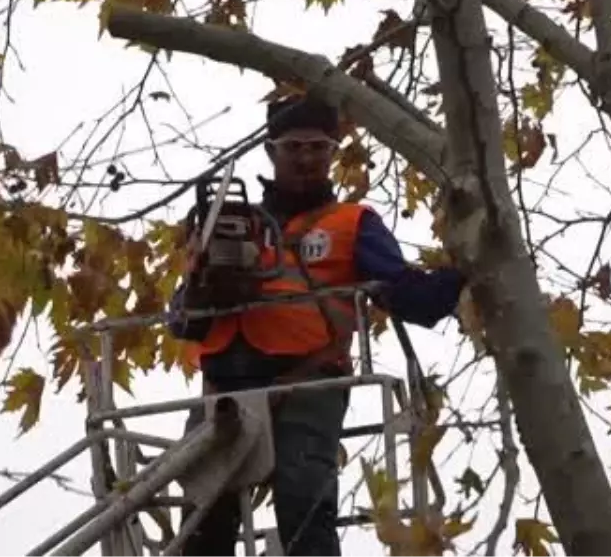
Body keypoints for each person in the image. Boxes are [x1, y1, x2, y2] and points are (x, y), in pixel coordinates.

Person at [166, 94, 466, 557]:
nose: (306, 158)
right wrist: (206, 290)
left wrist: (465, 273)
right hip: (224, 386)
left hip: (309, 380)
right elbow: (181, 321)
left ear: (333, 151)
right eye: (293, 147)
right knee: (201, 513)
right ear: (271, 150)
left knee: (304, 496)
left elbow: (410, 297)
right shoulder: (225, 225)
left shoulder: (353, 223)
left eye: (318, 147)